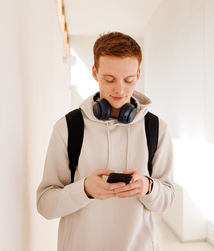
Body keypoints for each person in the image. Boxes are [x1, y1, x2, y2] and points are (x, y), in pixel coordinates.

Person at [36, 31, 175, 251]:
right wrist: (84, 190)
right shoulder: (68, 127)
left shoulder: (157, 129)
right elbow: (45, 204)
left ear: (138, 74)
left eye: (129, 80)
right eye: (109, 79)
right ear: (95, 72)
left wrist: (148, 187)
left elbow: (166, 200)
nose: (120, 89)